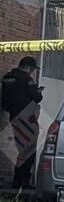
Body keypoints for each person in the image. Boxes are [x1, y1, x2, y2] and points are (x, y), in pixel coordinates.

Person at [1, 57, 43, 190]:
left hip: (14, 117)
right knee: (29, 151)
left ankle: (17, 181)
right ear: (28, 68)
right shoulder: (26, 80)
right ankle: (22, 181)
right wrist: (39, 91)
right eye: (32, 70)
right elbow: (37, 98)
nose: (31, 72)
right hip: (26, 118)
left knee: (22, 149)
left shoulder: (8, 77)